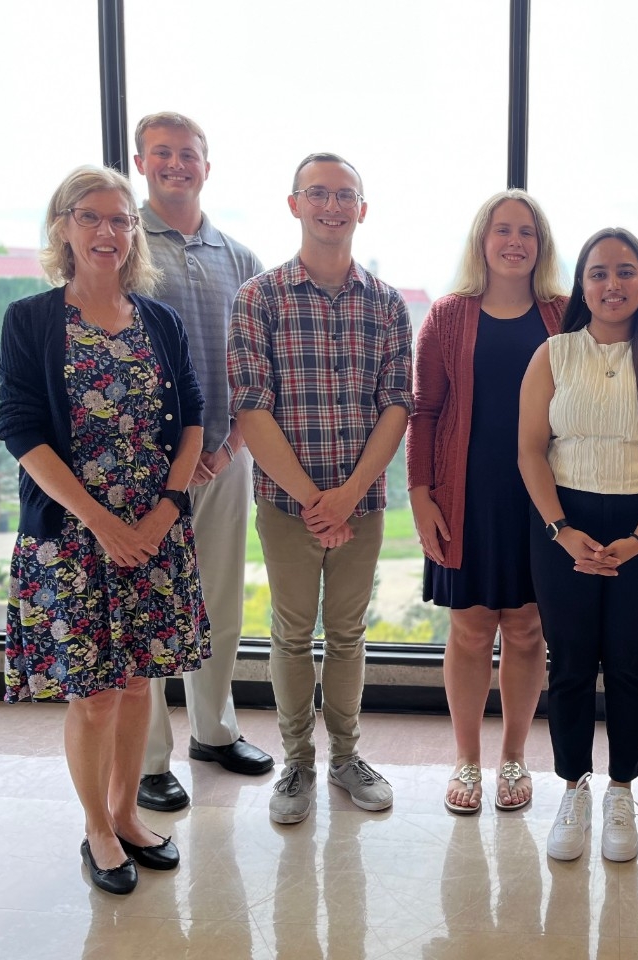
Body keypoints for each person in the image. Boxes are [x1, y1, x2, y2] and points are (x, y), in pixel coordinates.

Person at [0, 165, 208, 894]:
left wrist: (162, 512)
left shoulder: (159, 321)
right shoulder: (30, 319)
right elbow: (20, 429)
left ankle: (125, 812)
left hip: (154, 533)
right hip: (72, 536)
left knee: (139, 683)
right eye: (92, 217)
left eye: (121, 220)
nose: (109, 232)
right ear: (64, 227)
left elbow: (192, 422)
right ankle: (94, 827)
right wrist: (104, 524)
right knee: (94, 694)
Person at [228, 152, 412, 825]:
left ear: (362, 209)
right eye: (318, 194)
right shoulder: (259, 298)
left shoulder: (387, 303)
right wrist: (314, 498)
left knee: (348, 634)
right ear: (294, 203)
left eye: (345, 196)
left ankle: (346, 759)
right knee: (290, 631)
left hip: (361, 506)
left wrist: (346, 495)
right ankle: (297, 763)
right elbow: (251, 407)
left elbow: (397, 405)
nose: (332, 206)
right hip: (285, 507)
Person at [518, 227, 638, 862]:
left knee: (626, 663)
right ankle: (574, 786)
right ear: (582, 285)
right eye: (598, 273)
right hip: (562, 523)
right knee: (568, 664)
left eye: (625, 272)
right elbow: (530, 451)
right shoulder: (553, 355)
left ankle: (622, 789)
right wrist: (562, 531)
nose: (611, 284)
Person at [406, 190, 566, 814]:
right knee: (471, 630)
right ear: (483, 240)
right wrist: (420, 495)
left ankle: (515, 758)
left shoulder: (561, 314)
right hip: (463, 494)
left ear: (541, 245)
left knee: (527, 630)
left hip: (541, 495)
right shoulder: (447, 315)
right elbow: (425, 412)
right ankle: (467, 761)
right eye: (503, 229)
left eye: (527, 231)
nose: (515, 241)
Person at [132, 111, 273, 814]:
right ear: (140, 161)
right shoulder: (122, 245)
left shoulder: (239, 258)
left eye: (188, 154)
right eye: (162, 153)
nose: (176, 164)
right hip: (144, 472)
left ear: (207, 167)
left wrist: (227, 449)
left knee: (217, 601)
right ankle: (149, 759)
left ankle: (214, 732)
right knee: (151, 608)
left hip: (225, 459)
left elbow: (255, 370)